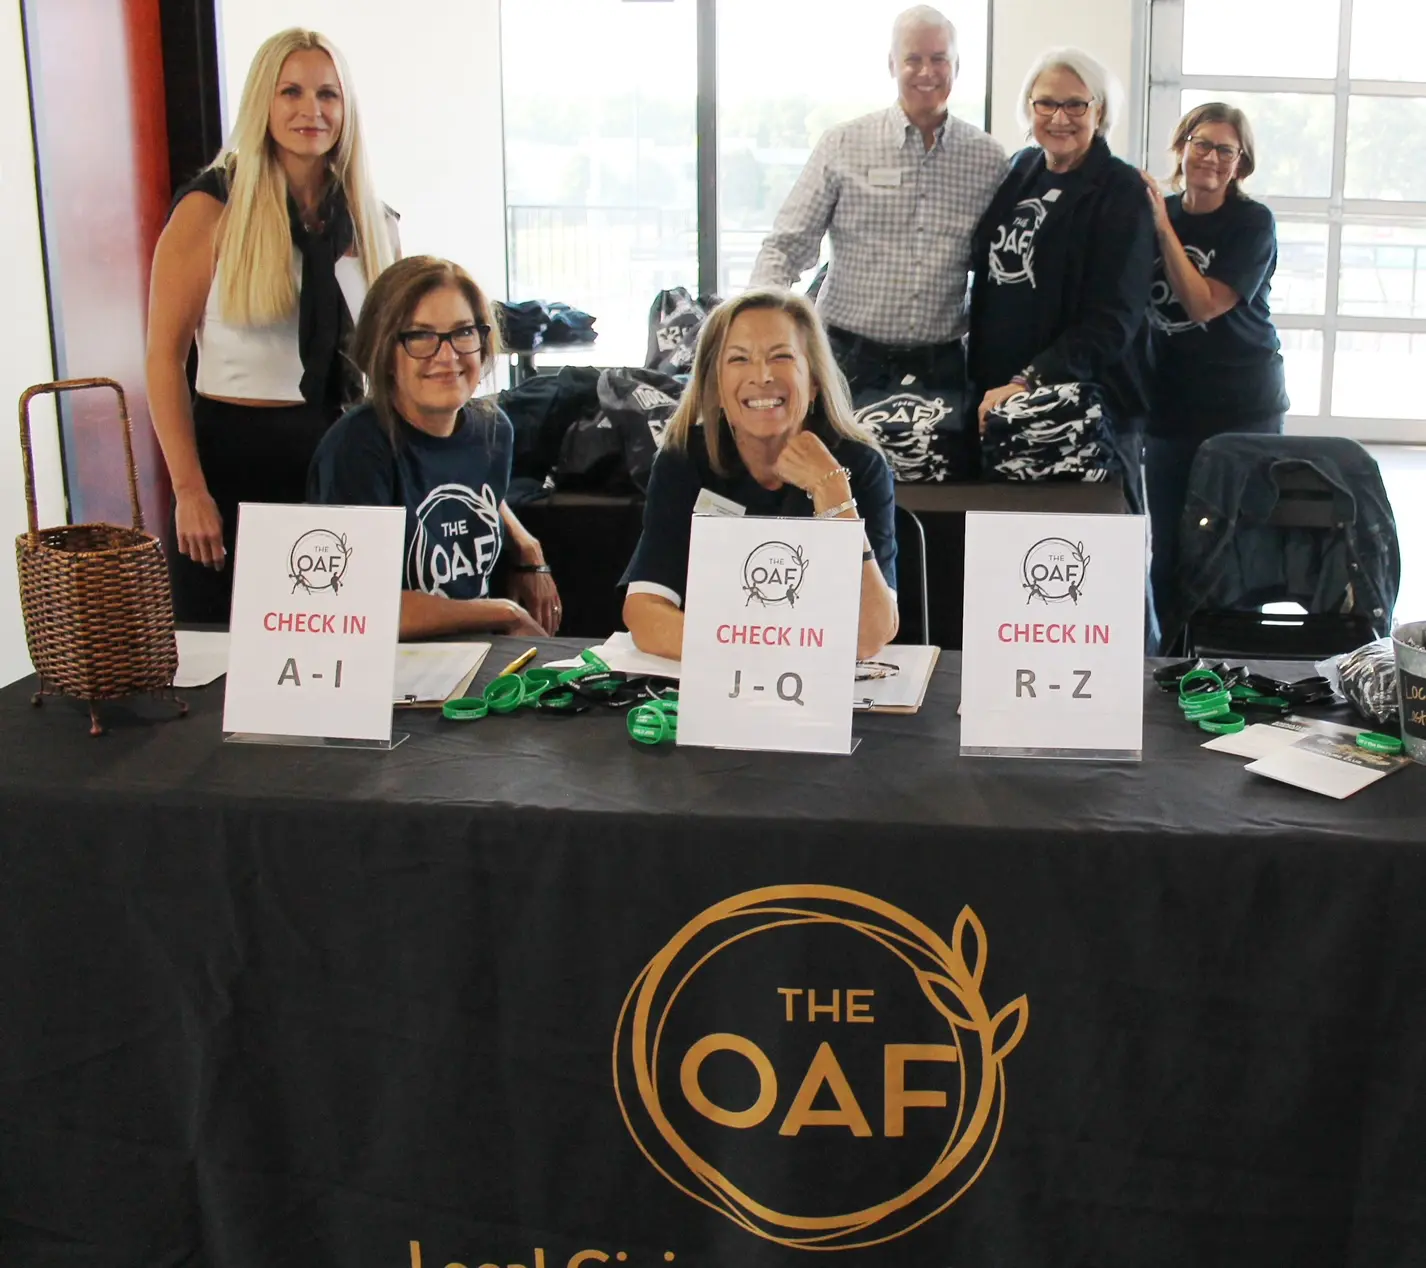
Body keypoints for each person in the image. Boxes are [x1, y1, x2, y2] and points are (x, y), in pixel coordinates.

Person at [146, 28, 398, 624]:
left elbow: (387, 362)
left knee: (340, 640)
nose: (311, 110)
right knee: (226, 653)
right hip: (233, 457)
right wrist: (188, 490)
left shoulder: (373, 218)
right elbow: (162, 357)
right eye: (291, 92)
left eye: (328, 95)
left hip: (340, 453)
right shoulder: (211, 207)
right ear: (264, 101)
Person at [748, 6, 1005, 418]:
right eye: (913, 59)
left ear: (957, 65)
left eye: (939, 59)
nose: (927, 72)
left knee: (939, 480)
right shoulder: (844, 144)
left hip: (941, 367)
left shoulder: (988, 161)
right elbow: (787, 245)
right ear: (892, 65)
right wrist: (756, 325)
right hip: (845, 359)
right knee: (836, 475)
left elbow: (1009, 260)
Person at [622, 290, 899, 661]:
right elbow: (643, 612)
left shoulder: (860, 465)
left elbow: (870, 636)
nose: (763, 376)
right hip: (728, 678)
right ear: (716, 386)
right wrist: (761, 657)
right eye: (739, 359)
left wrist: (834, 496)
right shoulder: (684, 460)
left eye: (781, 356)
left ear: (814, 381)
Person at [308, 257, 560, 639]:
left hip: (477, 661)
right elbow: (358, 603)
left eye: (463, 333)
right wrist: (502, 613)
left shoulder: (493, 431)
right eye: (421, 337)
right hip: (392, 670)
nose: (447, 356)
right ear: (385, 350)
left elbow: (486, 498)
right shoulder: (355, 448)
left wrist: (528, 549)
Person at [967, 47, 1154, 502]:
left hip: (1086, 410)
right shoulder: (1021, 169)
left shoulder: (1121, 190)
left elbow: (1115, 318)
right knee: (1004, 555)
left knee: (1095, 559)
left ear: (1100, 110)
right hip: (1001, 402)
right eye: (1046, 102)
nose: (1059, 117)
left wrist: (1029, 378)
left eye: (1076, 104)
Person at [1140, 103, 1287, 637]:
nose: (1211, 157)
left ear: (1241, 164)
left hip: (1242, 405)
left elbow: (1203, 304)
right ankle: (1173, 661)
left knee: (1236, 542)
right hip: (1171, 406)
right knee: (1171, 547)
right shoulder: (1160, 212)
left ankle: (1236, 660)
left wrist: (1162, 230)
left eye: (1226, 150)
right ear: (1182, 147)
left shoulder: (1251, 223)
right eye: (1201, 143)